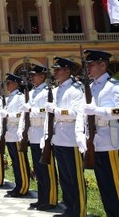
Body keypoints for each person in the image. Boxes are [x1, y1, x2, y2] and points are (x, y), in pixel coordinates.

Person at [81, 49, 119, 217]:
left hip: (110, 141)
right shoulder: (91, 87)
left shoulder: (114, 85)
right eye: (87, 64)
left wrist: (99, 111)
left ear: (103, 65)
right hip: (95, 142)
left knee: (117, 186)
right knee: (105, 187)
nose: (88, 67)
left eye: (92, 64)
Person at [48, 57, 86, 217]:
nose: (54, 72)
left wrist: (56, 111)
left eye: (58, 69)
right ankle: (70, 208)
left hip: (71, 140)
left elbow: (75, 113)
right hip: (59, 138)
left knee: (75, 177)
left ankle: (79, 210)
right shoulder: (56, 90)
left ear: (67, 71)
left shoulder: (76, 90)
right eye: (54, 69)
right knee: (64, 177)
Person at [19, 64, 58, 211]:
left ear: (42, 76)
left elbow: (46, 110)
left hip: (43, 132)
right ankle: (42, 198)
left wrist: (31, 109)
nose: (31, 77)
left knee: (47, 170)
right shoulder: (34, 92)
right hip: (34, 133)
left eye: (34, 75)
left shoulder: (49, 92)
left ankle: (51, 199)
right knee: (39, 169)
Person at [1, 73, 30, 198]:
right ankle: (18, 186)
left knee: (20, 162)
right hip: (10, 134)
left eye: (9, 83)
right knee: (15, 162)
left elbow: (20, 115)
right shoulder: (10, 98)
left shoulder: (20, 97)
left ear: (16, 84)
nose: (6, 85)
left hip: (17, 134)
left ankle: (23, 187)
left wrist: (8, 116)